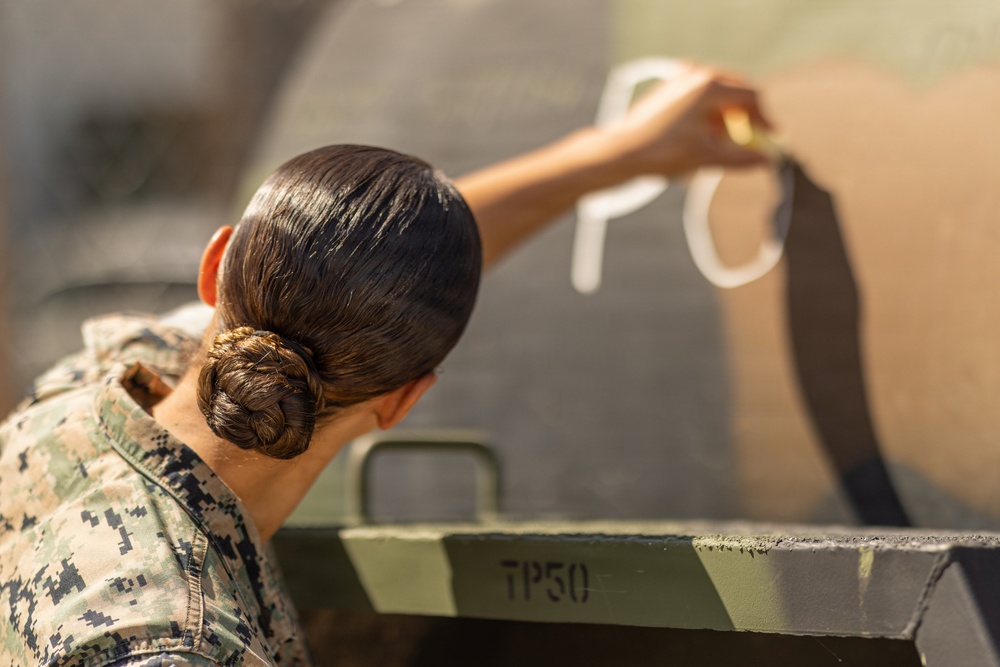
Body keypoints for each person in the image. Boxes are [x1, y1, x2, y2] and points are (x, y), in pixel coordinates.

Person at [0, 64, 771, 666]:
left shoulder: (96, 382)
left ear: (213, 271)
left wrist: (613, 154)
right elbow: (370, 286)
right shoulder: (175, 639)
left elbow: (359, 269)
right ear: (404, 401)